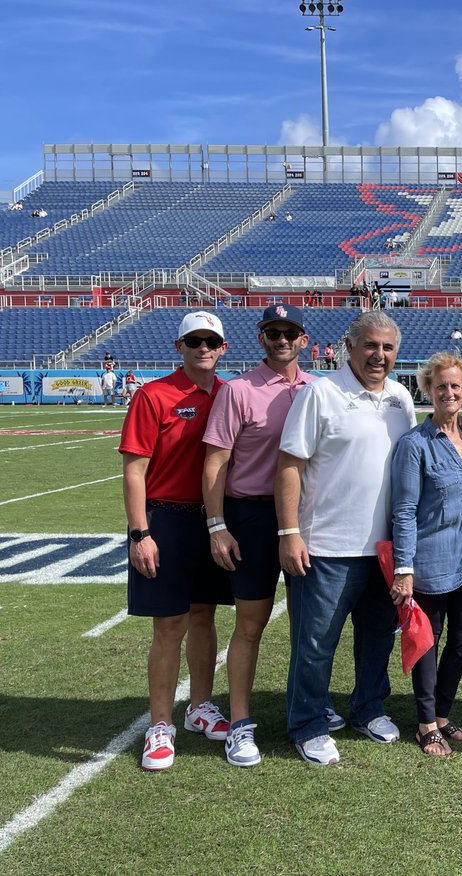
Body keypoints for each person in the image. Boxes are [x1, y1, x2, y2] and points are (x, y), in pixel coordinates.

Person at [277, 311, 417, 766]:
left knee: (378, 638)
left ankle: (368, 708)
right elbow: (290, 465)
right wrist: (290, 532)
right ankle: (308, 723)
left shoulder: (400, 397)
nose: (380, 355)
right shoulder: (321, 392)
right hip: (327, 546)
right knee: (316, 644)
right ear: (350, 347)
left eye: (388, 348)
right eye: (371, 346)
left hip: (383, 548)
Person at [202, 303, 327, 767]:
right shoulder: (237, 390)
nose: (281, 339)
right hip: (251, 517)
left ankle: (307, 709)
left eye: (289, 332)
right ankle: (239, 723)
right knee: (250, 625)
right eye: (273, 331)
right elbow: (215, 463)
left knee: (306, 625)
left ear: (303, 340)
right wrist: (218, 525)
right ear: (261, 338)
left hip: (305, 519)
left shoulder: (320, 388)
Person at [118, 311, 234, 771]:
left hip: (212, 521)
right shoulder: (153, 395)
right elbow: (133, 469)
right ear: (179, 346)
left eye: (211, 341)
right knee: (169, 626)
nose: (203, 348)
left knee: (205, 616)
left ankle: (200, 707)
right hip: (164, 520)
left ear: (223, 347)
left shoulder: (229, 394)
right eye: (194, 341)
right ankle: (160, 724)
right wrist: (139, 532)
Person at [390, 352, 462, 757]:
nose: (449, 392)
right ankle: (427, 723)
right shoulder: (414, 444)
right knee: (428, 642)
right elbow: (405, 509)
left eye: (455, 385)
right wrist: (404, 567)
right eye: (440, 386)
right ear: (427, 390)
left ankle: (443, 713)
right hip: (430, 560)